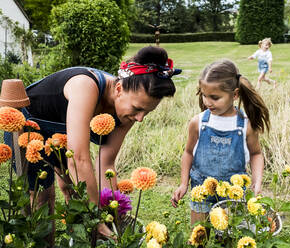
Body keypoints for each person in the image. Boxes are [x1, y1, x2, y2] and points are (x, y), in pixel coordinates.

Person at [4, 46, 180, 244]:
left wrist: (112, 209)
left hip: (64, 134)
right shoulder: (85, 87)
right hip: (29, 124)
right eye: (138, 109)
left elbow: (106, 165)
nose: (140, 118)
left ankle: (78, 239)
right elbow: (78, 159)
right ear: (119, 88)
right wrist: (95, 217)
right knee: (43, 198)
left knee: (72, 191)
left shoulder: (128, 113)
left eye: (147, 112)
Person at [171, 59, 270, 225]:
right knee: (199, 235)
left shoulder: (245, 125)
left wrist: (257, 182)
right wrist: (183, 184)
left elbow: (256, 154)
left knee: (228, 237)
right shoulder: (198, 122)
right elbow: (188, 152)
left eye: (215, 97)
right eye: (204, 95)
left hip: (233, 194)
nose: (207, 102)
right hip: (201, 190)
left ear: (235, 94)